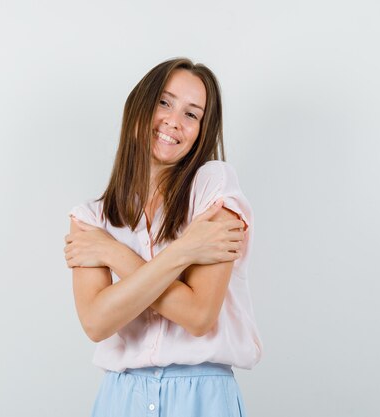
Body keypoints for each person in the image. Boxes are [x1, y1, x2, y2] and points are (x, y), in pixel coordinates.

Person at [64, 57, 263, 417]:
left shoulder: (213, 187)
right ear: (139, 106)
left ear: (202, 130)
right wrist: (187, 250)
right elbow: (96, 322)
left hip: (202, 397)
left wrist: (111, 253)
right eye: (164, 102)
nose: (174, 121)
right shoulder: (91, 218)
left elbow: (199, 315)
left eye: (192, 114)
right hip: (121, 399)